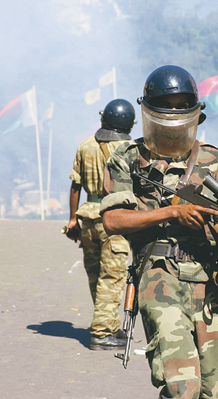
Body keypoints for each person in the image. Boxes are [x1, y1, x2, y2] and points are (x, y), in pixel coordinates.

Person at [101, 65, 218, 398]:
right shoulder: (128, 157)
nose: (174, 110)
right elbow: (113, 220)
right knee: (183, 385)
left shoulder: (211, 159)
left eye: (182, 103)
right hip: (159, 276)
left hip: (204, 277)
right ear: (150, 109)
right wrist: (173, 212)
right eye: (167, 103)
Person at [66, 99, 135, 350]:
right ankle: (102, 333)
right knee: (112, 278)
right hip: (115, 220)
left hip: (88, 219)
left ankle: (108, 324)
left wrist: (73, 218)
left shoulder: (85, 145)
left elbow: (75, 185)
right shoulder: (130, 148)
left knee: (96, 277)